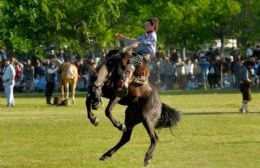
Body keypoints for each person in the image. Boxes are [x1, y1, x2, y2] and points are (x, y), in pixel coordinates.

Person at [94, 17, 159, 96]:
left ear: (153, 26)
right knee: (122, 58)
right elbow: (135, 40)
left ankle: (125, 83)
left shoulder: (153, 35)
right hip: (138, 54)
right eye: (145, 24)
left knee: (132, 61)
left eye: (147, 24)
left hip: (145, 56)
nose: (145, 26)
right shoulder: (145, 35)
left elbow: (138, 43)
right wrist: (123, 38)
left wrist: (126, 47)